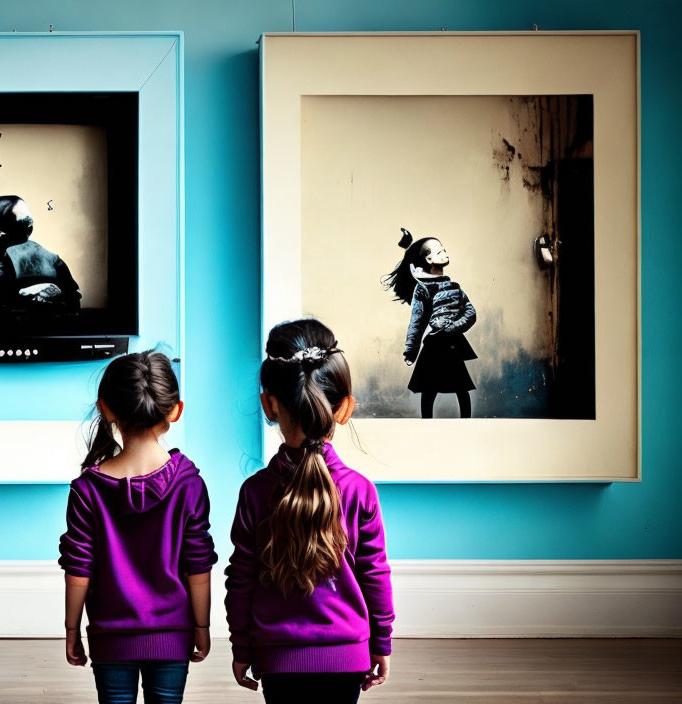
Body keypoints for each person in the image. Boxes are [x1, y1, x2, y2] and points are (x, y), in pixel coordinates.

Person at [224, 319, 394, 704]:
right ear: (345, 407)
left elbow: (241, 580)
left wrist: (242, 648)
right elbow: (375, 576)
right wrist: (380, 642)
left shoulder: (255, 492)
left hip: (276, 658)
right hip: (348, 656)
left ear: (269, 404)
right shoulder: (359, 491)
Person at [58, 350, 217, 704]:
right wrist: (202, 627)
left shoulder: (87, 490)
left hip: (110, 638)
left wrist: (71, 630)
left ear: (106, 408)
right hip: (173, 635)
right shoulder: (189, 483)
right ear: (175, 410)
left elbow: (78, 571)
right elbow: (199, 568)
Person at [382, 229, 477, 418]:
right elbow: (417, 322)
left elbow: (471, 312)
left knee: (461, 387)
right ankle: (426, 425)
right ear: (428, 260)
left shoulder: (454, 287)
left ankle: (468, 424)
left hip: (452, 344)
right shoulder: (423, 288)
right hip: (434, 345)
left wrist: (455, 326)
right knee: (429, 389)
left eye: (444, 249)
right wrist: (411, 350)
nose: (445, 253)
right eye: (439, 251)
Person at [0, 194, 82, 311]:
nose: (31, 225)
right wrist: (29, 293)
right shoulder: (7, 262)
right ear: (0, 233)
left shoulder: (51, 258)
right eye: (23, 222)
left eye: (30, 220)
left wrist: (57, 292)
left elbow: (74, 295)